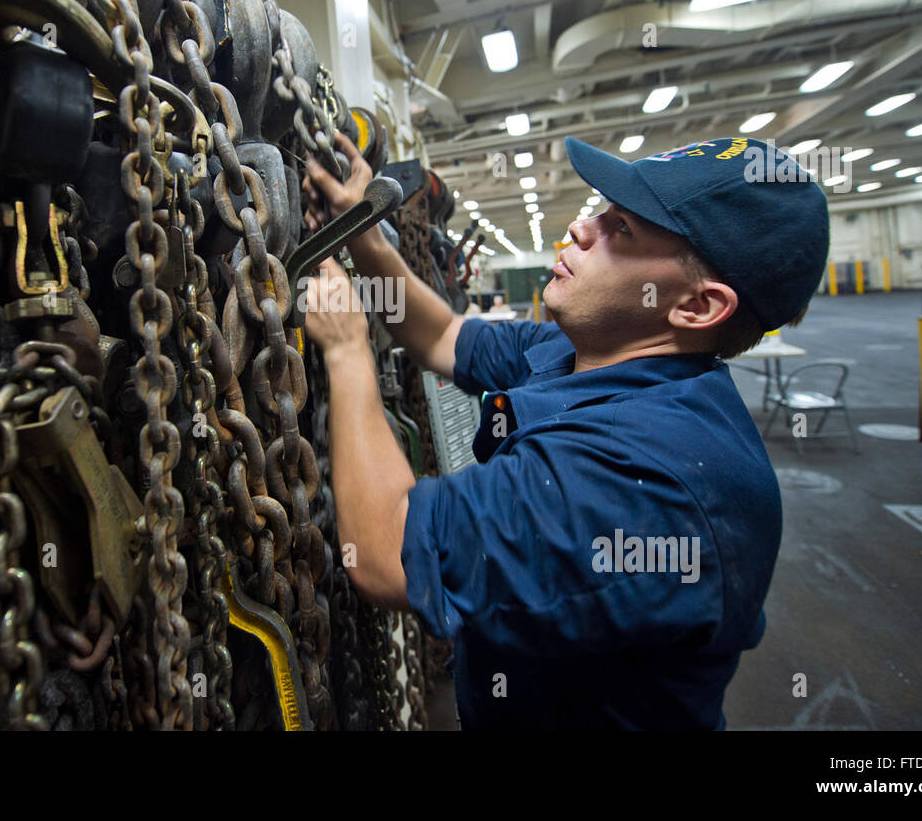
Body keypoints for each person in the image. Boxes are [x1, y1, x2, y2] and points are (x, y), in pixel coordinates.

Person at [299, 132, 829, 729]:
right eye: (603, 210)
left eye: (622, 230)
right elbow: (441, 336)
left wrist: (347, 351)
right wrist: (365, 239)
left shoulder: (651, 483)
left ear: (698, 307)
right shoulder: (582, 350)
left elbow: (381, 554)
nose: (583, 229)